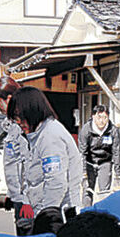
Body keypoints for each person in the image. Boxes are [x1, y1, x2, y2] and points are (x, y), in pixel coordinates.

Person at [7, 86, 83, 216]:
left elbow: (56, 183)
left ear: (32, 111)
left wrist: (47, 216)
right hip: (46, 210)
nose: (18, 122)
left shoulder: (50, 136)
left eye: (19, 116)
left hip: (59, 214)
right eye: (15, 118)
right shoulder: (37, 134)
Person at [0, 76, 32, 235]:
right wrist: (10, 193)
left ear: (8, 99)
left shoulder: (24, 124)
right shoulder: (12, 124)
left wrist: (26, 200)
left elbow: (28, 164)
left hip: (28, 199)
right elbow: (12, 162)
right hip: (18, 196)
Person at [79, 105, 120, 205]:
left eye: (105, 118)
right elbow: (82, 152)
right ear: (93, 116)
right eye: (99, 117)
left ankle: (103, 215)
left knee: (105, 192)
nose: (102, 121)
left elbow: (116, 151)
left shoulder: (113, 130)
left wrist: (118, 173)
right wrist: (83, 172)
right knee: (87, 190)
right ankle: (86, 213)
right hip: (89, 162)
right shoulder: (86, 130)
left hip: (105, 162)